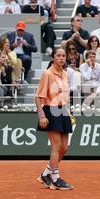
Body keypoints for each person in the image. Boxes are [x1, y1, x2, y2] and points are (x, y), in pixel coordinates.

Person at [35, 48, 74, 190]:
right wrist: (42, 116)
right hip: (50, 110)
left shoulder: (65, 74)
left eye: (64, 56)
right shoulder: (47, 74)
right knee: (56, 146)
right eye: (58, 55)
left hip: (63, 110)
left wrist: (68, 112)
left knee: (64, 148)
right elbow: (38, 97)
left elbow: (64, 97)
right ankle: (55, 178)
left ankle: (46, 173)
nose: (62, 58)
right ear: (53, 58)